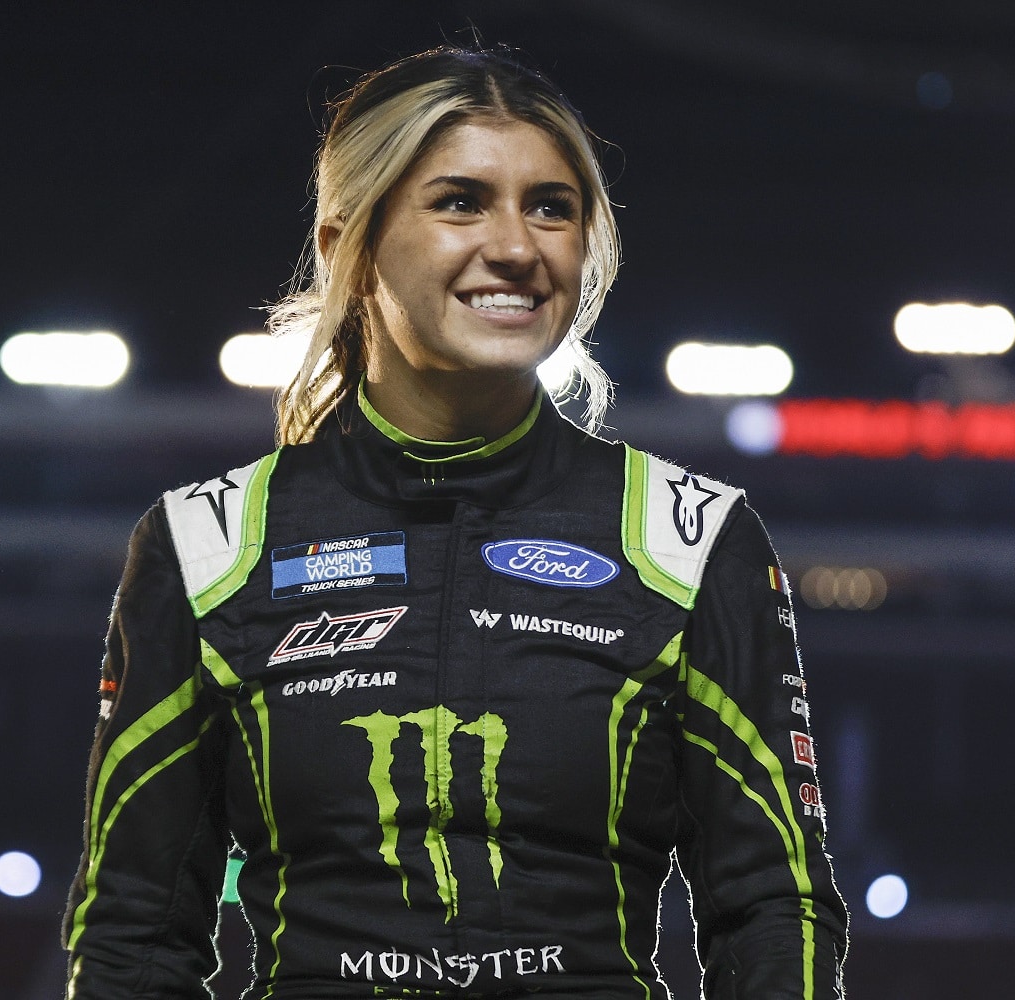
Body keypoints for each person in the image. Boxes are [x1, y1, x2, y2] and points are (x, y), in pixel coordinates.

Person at [63, 44, 847, 1000]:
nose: (517, 245)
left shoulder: (692, 537)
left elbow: (775, 907)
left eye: (552, 207)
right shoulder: (204, 545)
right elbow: (134, 935)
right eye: (460, 201)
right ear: (345, 246)